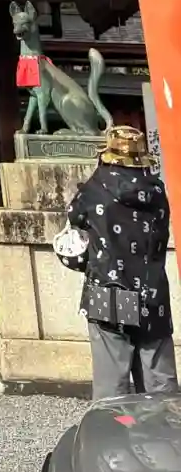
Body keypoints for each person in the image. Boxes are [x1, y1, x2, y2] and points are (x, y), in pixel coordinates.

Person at [66, 123, 177, 399]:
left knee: (111, 387)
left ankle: (112, 427)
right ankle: (164, 426)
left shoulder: (95, 189)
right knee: (159, 387)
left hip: (109, 292)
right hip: (152, 292)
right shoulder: (156, 191)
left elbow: (75, 217)